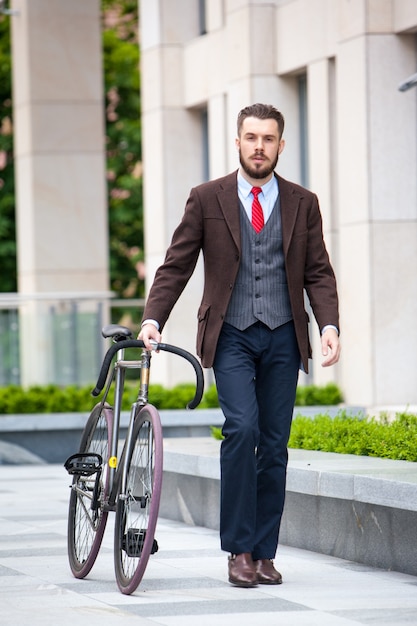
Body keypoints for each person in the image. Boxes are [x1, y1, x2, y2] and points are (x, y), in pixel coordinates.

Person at [139, 103, 340, 588]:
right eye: (251, 138)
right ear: (237, 142)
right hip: (230, 333)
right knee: (242, 429)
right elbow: (177, 263)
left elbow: (318, 270)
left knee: (274, 445)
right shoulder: (207, 198)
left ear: (280, 145)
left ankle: (265, 553)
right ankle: (239, 550)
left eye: (268, 139)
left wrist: (329, 326)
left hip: (284, 336)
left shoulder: (302, 201)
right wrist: (153, 318)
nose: (259, 146)